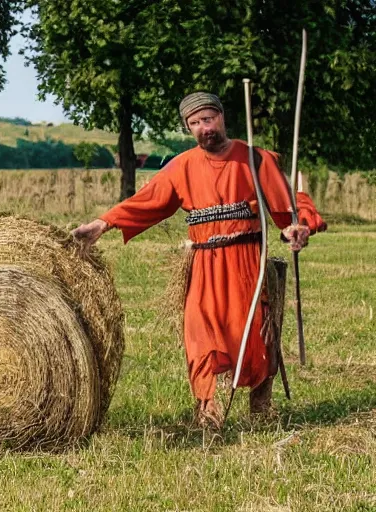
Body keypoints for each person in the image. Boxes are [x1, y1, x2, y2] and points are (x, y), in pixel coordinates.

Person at [71, 92, 326, 429]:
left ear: (221, 117)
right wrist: (104, 223)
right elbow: (147, 201)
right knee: (200, 334)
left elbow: (289, 204)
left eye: (209, 119)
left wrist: (299, 226)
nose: (204, 127)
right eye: (195, 123)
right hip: (203, 265)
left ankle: (261, 407)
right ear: (188, 128)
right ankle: (207, 411)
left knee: (253, 332)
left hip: (247, 260)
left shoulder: (255, 159)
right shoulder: (183, 166)